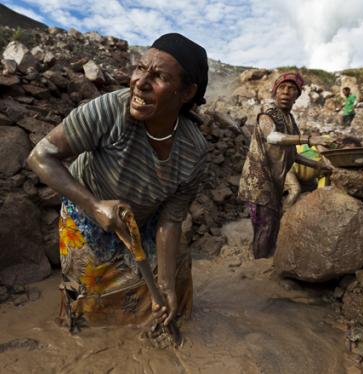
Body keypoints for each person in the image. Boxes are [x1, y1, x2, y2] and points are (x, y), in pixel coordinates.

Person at [27, 33, 209, 332]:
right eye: (140, 69)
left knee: (174, 273)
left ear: (186, 92)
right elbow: (41, 156)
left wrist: (165, 285)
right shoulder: (110, 111)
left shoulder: (194, 150)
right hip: (87, 213)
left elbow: (171, 220)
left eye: (160, 76)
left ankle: (159, 329)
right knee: (90, 299)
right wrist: (94, 205)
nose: (140, 82)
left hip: (145, 220)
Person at [238, 72, 332, 259]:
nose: (286, 92)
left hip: (274, 180)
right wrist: (308, 139)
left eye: (291, 89)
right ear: (275, 92)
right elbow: (273, 137)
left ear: (297, 96)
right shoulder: (268, 114)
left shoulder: (290, 121)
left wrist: (317, 165)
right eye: (282, 88)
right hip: (259, 178)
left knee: (271, 224)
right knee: (266, 224)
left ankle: (263, 258)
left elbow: (293, 154)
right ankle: (259, 265)